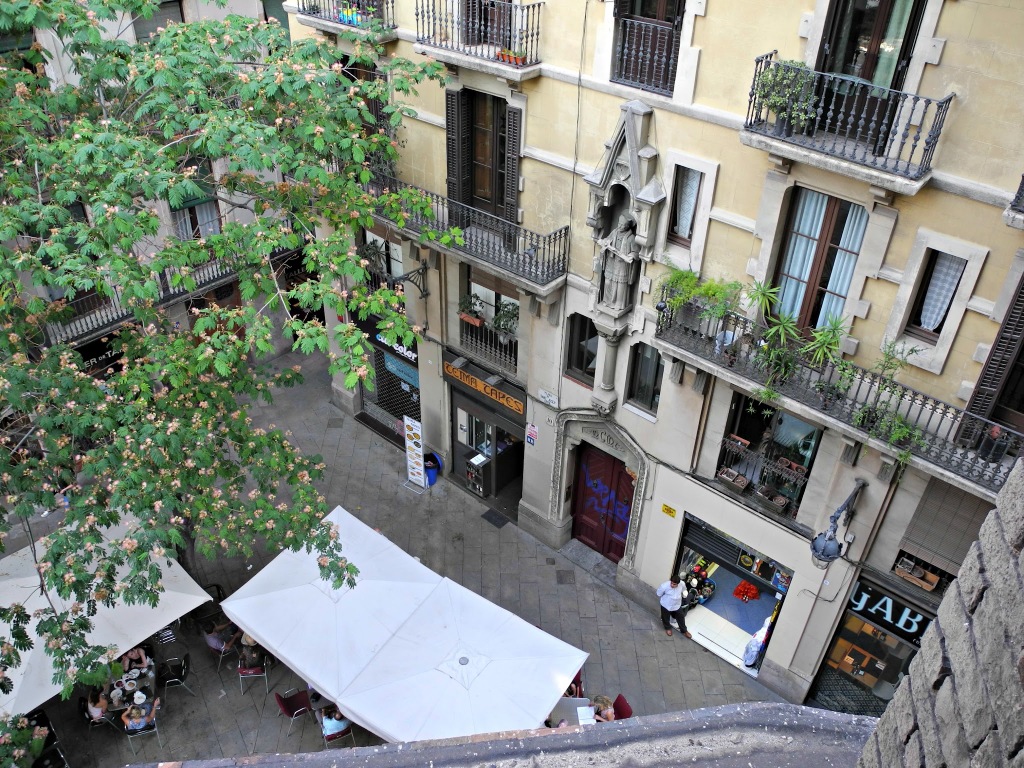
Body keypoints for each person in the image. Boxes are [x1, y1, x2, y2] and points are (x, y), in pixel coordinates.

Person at [657, 574, 692, 639]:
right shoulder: (664, 586)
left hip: (677, 605)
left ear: (678, 584)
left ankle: (684, 630)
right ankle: (667, 628)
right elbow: (659, 593)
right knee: (665, 617)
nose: (672, 585)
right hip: (666, 605)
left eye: (674, 584)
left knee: (681, 617)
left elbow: (684, 590)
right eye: (672, 583)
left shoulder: (682, 584)